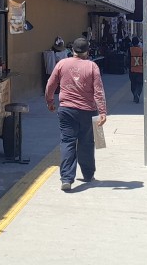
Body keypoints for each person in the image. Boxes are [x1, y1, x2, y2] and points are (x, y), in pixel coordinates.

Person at [45, 37, 107, 192]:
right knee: (86, 143)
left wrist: (50, 102)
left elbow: (50, 85)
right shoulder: (92, 66)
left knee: (67, 142)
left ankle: (66, 178)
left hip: (66, 110)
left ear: (72, 50)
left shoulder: (62, 64)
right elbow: (98, 91)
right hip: (88, 110)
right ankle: (88, 174)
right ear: (87, 51)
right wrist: (103, 112)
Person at [128, 36, 144, 103]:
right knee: (139, 84)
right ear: (138, 42)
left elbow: (128, 59)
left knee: (133, 83)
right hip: (140, 69)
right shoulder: (141, 50)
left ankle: (135, 93)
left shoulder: (130, 50)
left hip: (132, 69)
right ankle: (137, 93)